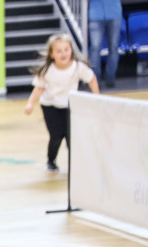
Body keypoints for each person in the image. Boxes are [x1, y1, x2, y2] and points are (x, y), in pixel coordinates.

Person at [24, 33, 99, 173]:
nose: (63, 53)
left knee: (71, 137)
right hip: (50, 106)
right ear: (52, 54)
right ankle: (51, 161)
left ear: (71, 50)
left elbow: (91, 78)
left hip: (70, 106)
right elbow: (39, 88)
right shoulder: (47, 70)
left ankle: (75, 164)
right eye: (59, 51)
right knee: (56, 136)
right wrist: (30, 103)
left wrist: (97, 97)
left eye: (66, 49)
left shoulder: (78, 67)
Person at [88, 0, 123, 89]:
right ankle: (95, 80)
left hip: (114, 13)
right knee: (95, 48)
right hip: (96, 14)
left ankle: (110, 78)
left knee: (113, 48)